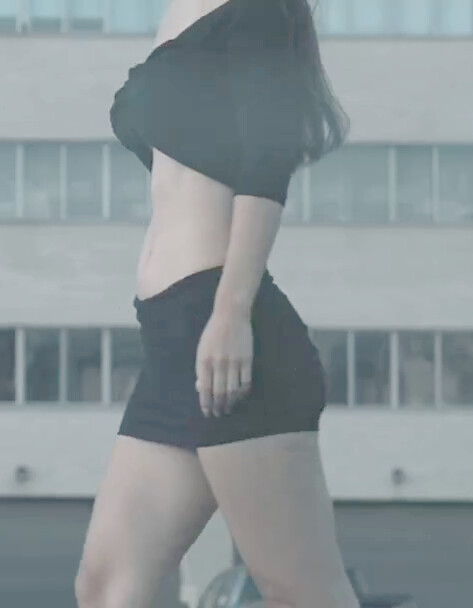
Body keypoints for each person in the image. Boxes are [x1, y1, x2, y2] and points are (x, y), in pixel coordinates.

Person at [75, 0, 360, 607]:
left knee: (301, 592)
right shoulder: (180, 11)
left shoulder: (261, 9)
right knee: (108, 588)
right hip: (170, 340)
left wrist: (231, 313)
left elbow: (267, 160)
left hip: (228, 332)